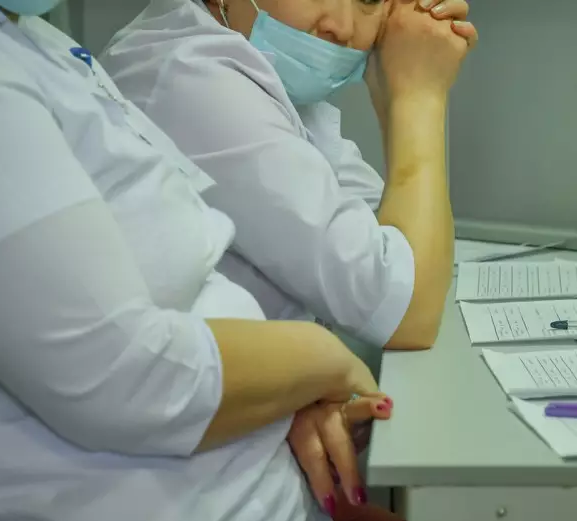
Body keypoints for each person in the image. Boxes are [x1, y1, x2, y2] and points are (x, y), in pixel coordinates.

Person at [0, 0, 395, 521]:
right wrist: (317, 362)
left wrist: (275, 397)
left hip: (269, 515)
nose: (340, 24)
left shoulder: (35, 43)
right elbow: (119, 376)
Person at [102, 0, 477, 352]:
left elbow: (406, 250)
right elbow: (404, 313)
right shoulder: (192, 76)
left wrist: (392, 87)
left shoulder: (262, 79)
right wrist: (418, 95)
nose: (342, 27)